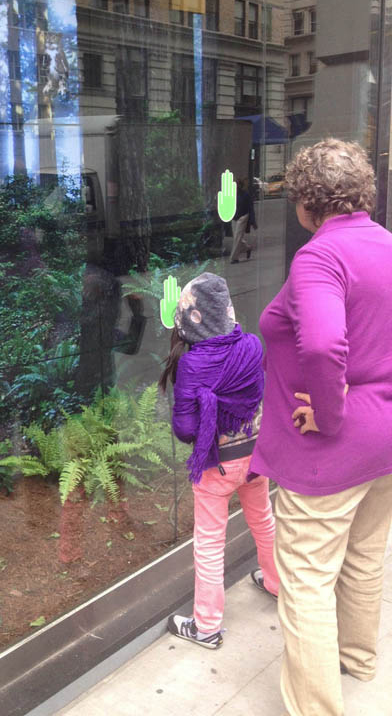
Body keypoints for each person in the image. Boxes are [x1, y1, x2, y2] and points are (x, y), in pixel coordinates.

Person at [250, 139, 392, 716]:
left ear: (306, 204)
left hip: (330, 449)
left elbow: (324, 343)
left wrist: (330, 412)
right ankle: (357, 659)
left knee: (306, 579)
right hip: (385, 438)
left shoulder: (320, 258)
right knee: (365, 554)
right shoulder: (387, 244)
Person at [160, 273, 279, 649]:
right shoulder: (252, 345)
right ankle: (277, 583)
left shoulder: (193, 363)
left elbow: (185, 429)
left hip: (217, 465)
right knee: (263, 521)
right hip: (256, 456)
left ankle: (207, 626)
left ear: (192, 318)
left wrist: (208, 418)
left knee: (210, 543)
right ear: (227, 311)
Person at [230, 177, 257, 264]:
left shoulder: (246, 195)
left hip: (243, 217)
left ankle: (234, 258)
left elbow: (250, 208)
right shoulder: (232, 194)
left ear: (239, 186)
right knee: (236, 238)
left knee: (238, 238)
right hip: (234, 217)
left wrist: (253, 221)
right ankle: (247, 248)